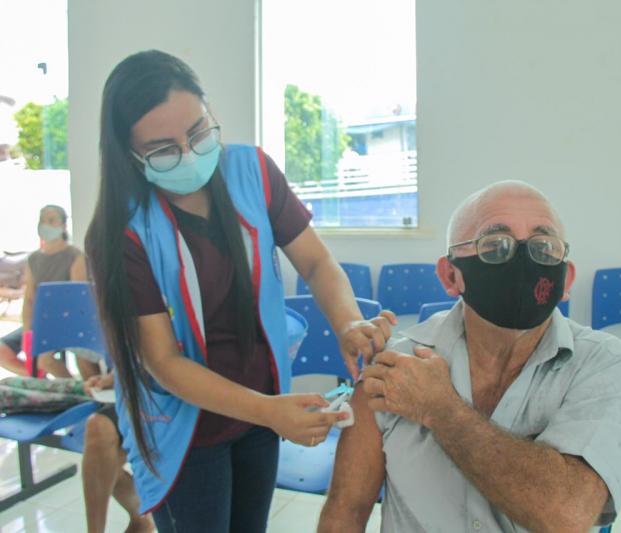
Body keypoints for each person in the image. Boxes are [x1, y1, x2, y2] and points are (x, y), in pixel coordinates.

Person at [85, 50, 395, 533]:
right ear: (129, 153)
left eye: (198, 132)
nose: (190, 154)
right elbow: (163, 361)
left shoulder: (252, 173)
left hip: (259, 414)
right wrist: (268, 410)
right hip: (185, 431)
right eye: (164, 149)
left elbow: (316, 263)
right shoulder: (123, 233)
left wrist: (349, 323)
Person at [319, 181, 621, 533]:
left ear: (565, 280)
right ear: (451, 275)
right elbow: (345, 512)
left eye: (544, 247)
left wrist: (441, 409)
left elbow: (568, 514)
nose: (524, 261)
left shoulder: (602, 364)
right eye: (495, 245)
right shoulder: (396, 366)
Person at [0, 205, 94, 378]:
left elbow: (79, 297)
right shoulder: (34, 259)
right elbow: (29, 298)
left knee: (54, 358)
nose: (45, 225)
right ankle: (42, 379)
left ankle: (77, 387)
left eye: (51, 220)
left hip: (68, 321)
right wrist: (27, 332)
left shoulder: (75, 256)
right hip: (40, 322)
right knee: (5, 350)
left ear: (63, 226)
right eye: (42, 220)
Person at [81, 371, 154, 533]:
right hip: (128, 392)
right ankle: (140, 518)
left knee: (105, 460)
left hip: (165, 393)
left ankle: (142, 518)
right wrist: (103, 380)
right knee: (98, 430)